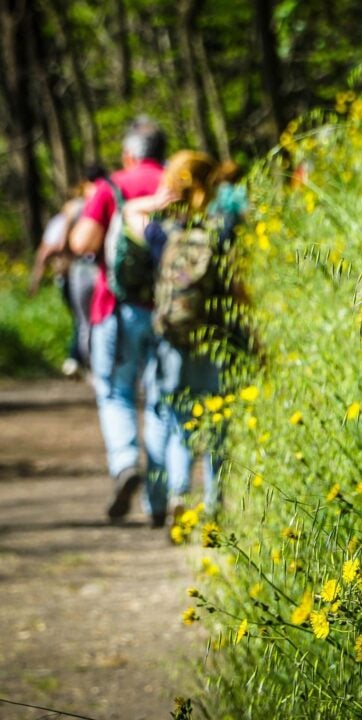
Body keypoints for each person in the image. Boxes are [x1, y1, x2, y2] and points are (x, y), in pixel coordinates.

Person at [121, 151, 242, 526]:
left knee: (179, 420)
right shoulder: (220, 231)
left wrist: (154, 202)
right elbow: (237, 288)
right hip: (213, 337)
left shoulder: (164, 234)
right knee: (217, 420)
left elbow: (129, 214)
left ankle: (177, 493)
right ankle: (214, 501)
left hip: (172, 339)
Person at [68, 117, 167, 524]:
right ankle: (160, 500)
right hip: (170, 309)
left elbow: (82, 243)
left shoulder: (113, 187)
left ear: (129, 154)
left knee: (116, 392)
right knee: (162, 400)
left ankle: (126, 463)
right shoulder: (178, 183)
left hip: (116, 308)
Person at [28, 164, 104, 376]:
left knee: (83, 321)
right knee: (97, 319)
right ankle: (89, 363)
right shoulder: (109, 202)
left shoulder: (72, 209)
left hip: (76, 272)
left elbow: (53, 247)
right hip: (100, 271)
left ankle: (86, 364)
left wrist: (36, 279)